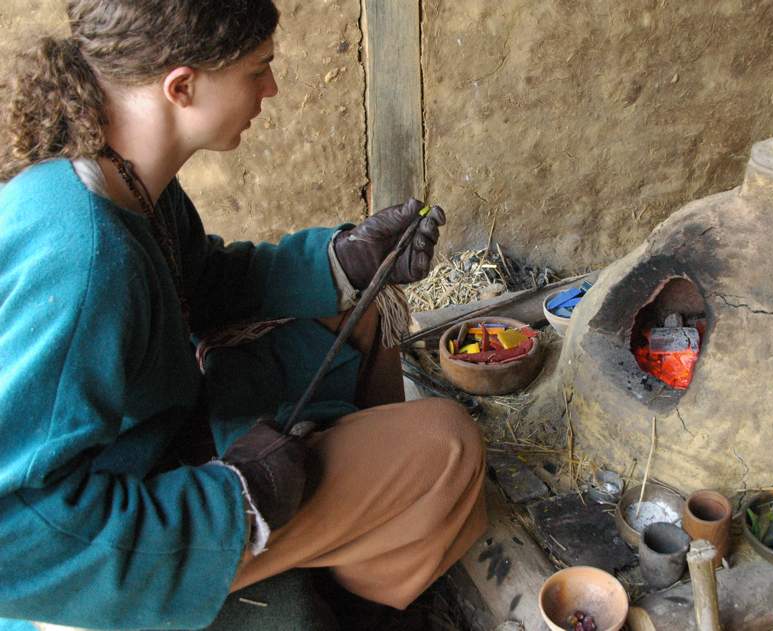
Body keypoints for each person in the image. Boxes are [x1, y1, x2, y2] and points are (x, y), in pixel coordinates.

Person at [0, 1, 487, 629]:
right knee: (445, 444)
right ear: (182, 87)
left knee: (360, 315)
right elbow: (16, 532)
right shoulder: (85, 258)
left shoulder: (119, 174)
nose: (272, 87)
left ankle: (354, 545)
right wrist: (236, 501)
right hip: (99, 558)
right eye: (258, 69)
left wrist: (342, 262)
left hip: (155, 441)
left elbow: (197, 283)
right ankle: (357, 597)